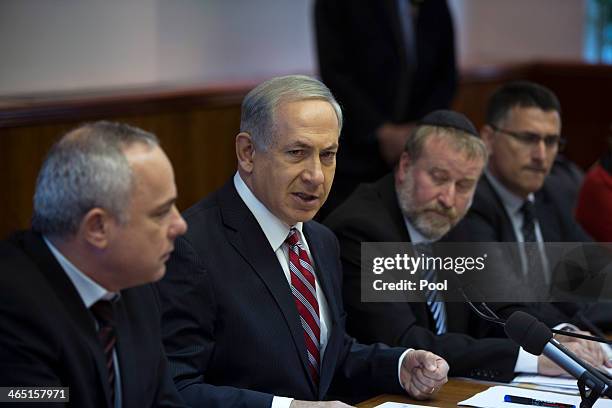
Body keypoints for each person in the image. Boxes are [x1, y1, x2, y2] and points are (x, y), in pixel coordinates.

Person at [157, 75, 449, 408]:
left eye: (328, 155)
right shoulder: (190, 246)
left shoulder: (321, 239)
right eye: (297, 153)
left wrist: (399, 366)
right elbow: (177, 389)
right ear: (247, 152)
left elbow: (325, 356)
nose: (316, 176)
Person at [323, 110, 608, 382]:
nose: (448, 198)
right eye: (439, 178)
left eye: (464, 185)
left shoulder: (453, 220)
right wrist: (531, 358)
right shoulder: (362, 229)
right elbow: (406, 342)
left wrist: (555, 338)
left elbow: (501, 307)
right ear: (406, 165)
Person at [0, 121, 188, 407]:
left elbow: (162, 400)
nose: (180, 225)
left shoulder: (135, 281)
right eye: (160, 213)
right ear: (97, 227)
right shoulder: (12, 309)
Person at [314, 0, 457, 216]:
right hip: (355, 155)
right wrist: (381, 130)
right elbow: (335, 73)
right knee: (359, 239)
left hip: (417, 149)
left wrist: (419, 128)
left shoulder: (434, 4)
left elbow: (446, 74)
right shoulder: (336, 5)